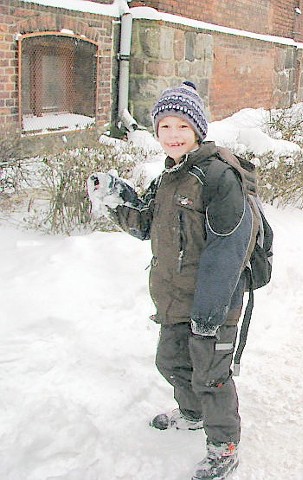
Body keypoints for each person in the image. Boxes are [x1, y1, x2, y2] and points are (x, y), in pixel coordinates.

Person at [87, 81, 253, 480]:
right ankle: (192, 415)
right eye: (164, 127)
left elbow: (229, 250)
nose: (173, 135)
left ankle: (224, 445)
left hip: (214, 303)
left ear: (198, 129)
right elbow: (146, 223)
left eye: (182, 126)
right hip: (175, 298)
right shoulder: (169, 178)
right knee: (172, 362)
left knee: (211, 376)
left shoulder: (218, 178)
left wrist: (209, 315)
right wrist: (116, 197)